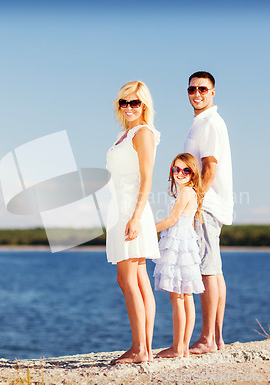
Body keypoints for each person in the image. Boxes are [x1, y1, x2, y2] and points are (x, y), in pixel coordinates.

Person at [106, 80, 161, 364]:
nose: (128, 108)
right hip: (120, 209)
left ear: (144, 105)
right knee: (138, 280)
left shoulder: (143, 133)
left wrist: (136, 216)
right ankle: (145, 348)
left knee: (127, 279)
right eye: (123, 102)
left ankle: (140, 348)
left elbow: (147, 177)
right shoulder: (124, 135)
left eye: (134, 102)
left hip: (131, 210)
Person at [183, 71, 234, 354]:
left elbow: (210, 168)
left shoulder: (211, 123)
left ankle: (207, 339)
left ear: (213, 92)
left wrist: (195, 202)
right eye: (192, 89)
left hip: (206, 206)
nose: (197, 94)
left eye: (203, 89)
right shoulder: (200, 123)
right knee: (214, 269)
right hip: (209, 205)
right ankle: (215, 337)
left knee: (207, 270)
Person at [153, 153, 205, 358]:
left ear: (193, 174)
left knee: (178, 297)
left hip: (178, 245)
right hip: (186, 244)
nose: (180, 173)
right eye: (176, 169)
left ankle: (177, 347)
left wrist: (148, 229)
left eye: (186, 170)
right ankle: (183, 347)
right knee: (186, 297)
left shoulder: (185, 193)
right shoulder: (190, 193)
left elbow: (173, 219)